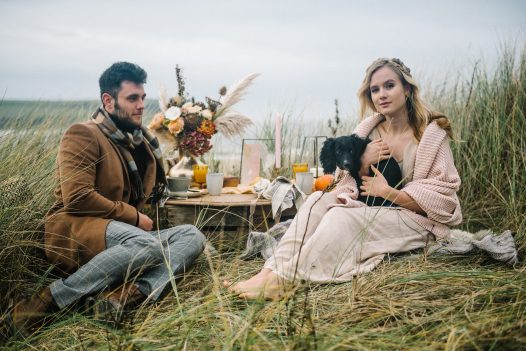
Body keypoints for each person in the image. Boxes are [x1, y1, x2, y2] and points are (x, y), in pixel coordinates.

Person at [224, 58, 462, 300]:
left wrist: (388, 192)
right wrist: (363, 162)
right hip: (370, 208)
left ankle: (286, 280)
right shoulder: (367, 132)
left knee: (341, 216)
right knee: (317, 198)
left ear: (407, 89)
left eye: (389, 86)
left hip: (414, 220)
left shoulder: (431, 135)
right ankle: (268, 273)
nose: (382, 94)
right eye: (375, 89)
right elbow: (342, 183)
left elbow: (443, 199)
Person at [10, 62, 206, 334]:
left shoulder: (141, 142)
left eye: (142, 98)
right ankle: (44, 304)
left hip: (123, 236)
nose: (141, 105)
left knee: (192, 235)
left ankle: (119, 297)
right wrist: (134, 217)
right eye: (132, 98)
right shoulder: (82, 134)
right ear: (108, 100)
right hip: (75, 230)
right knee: (147, 246)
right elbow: (77, 198)